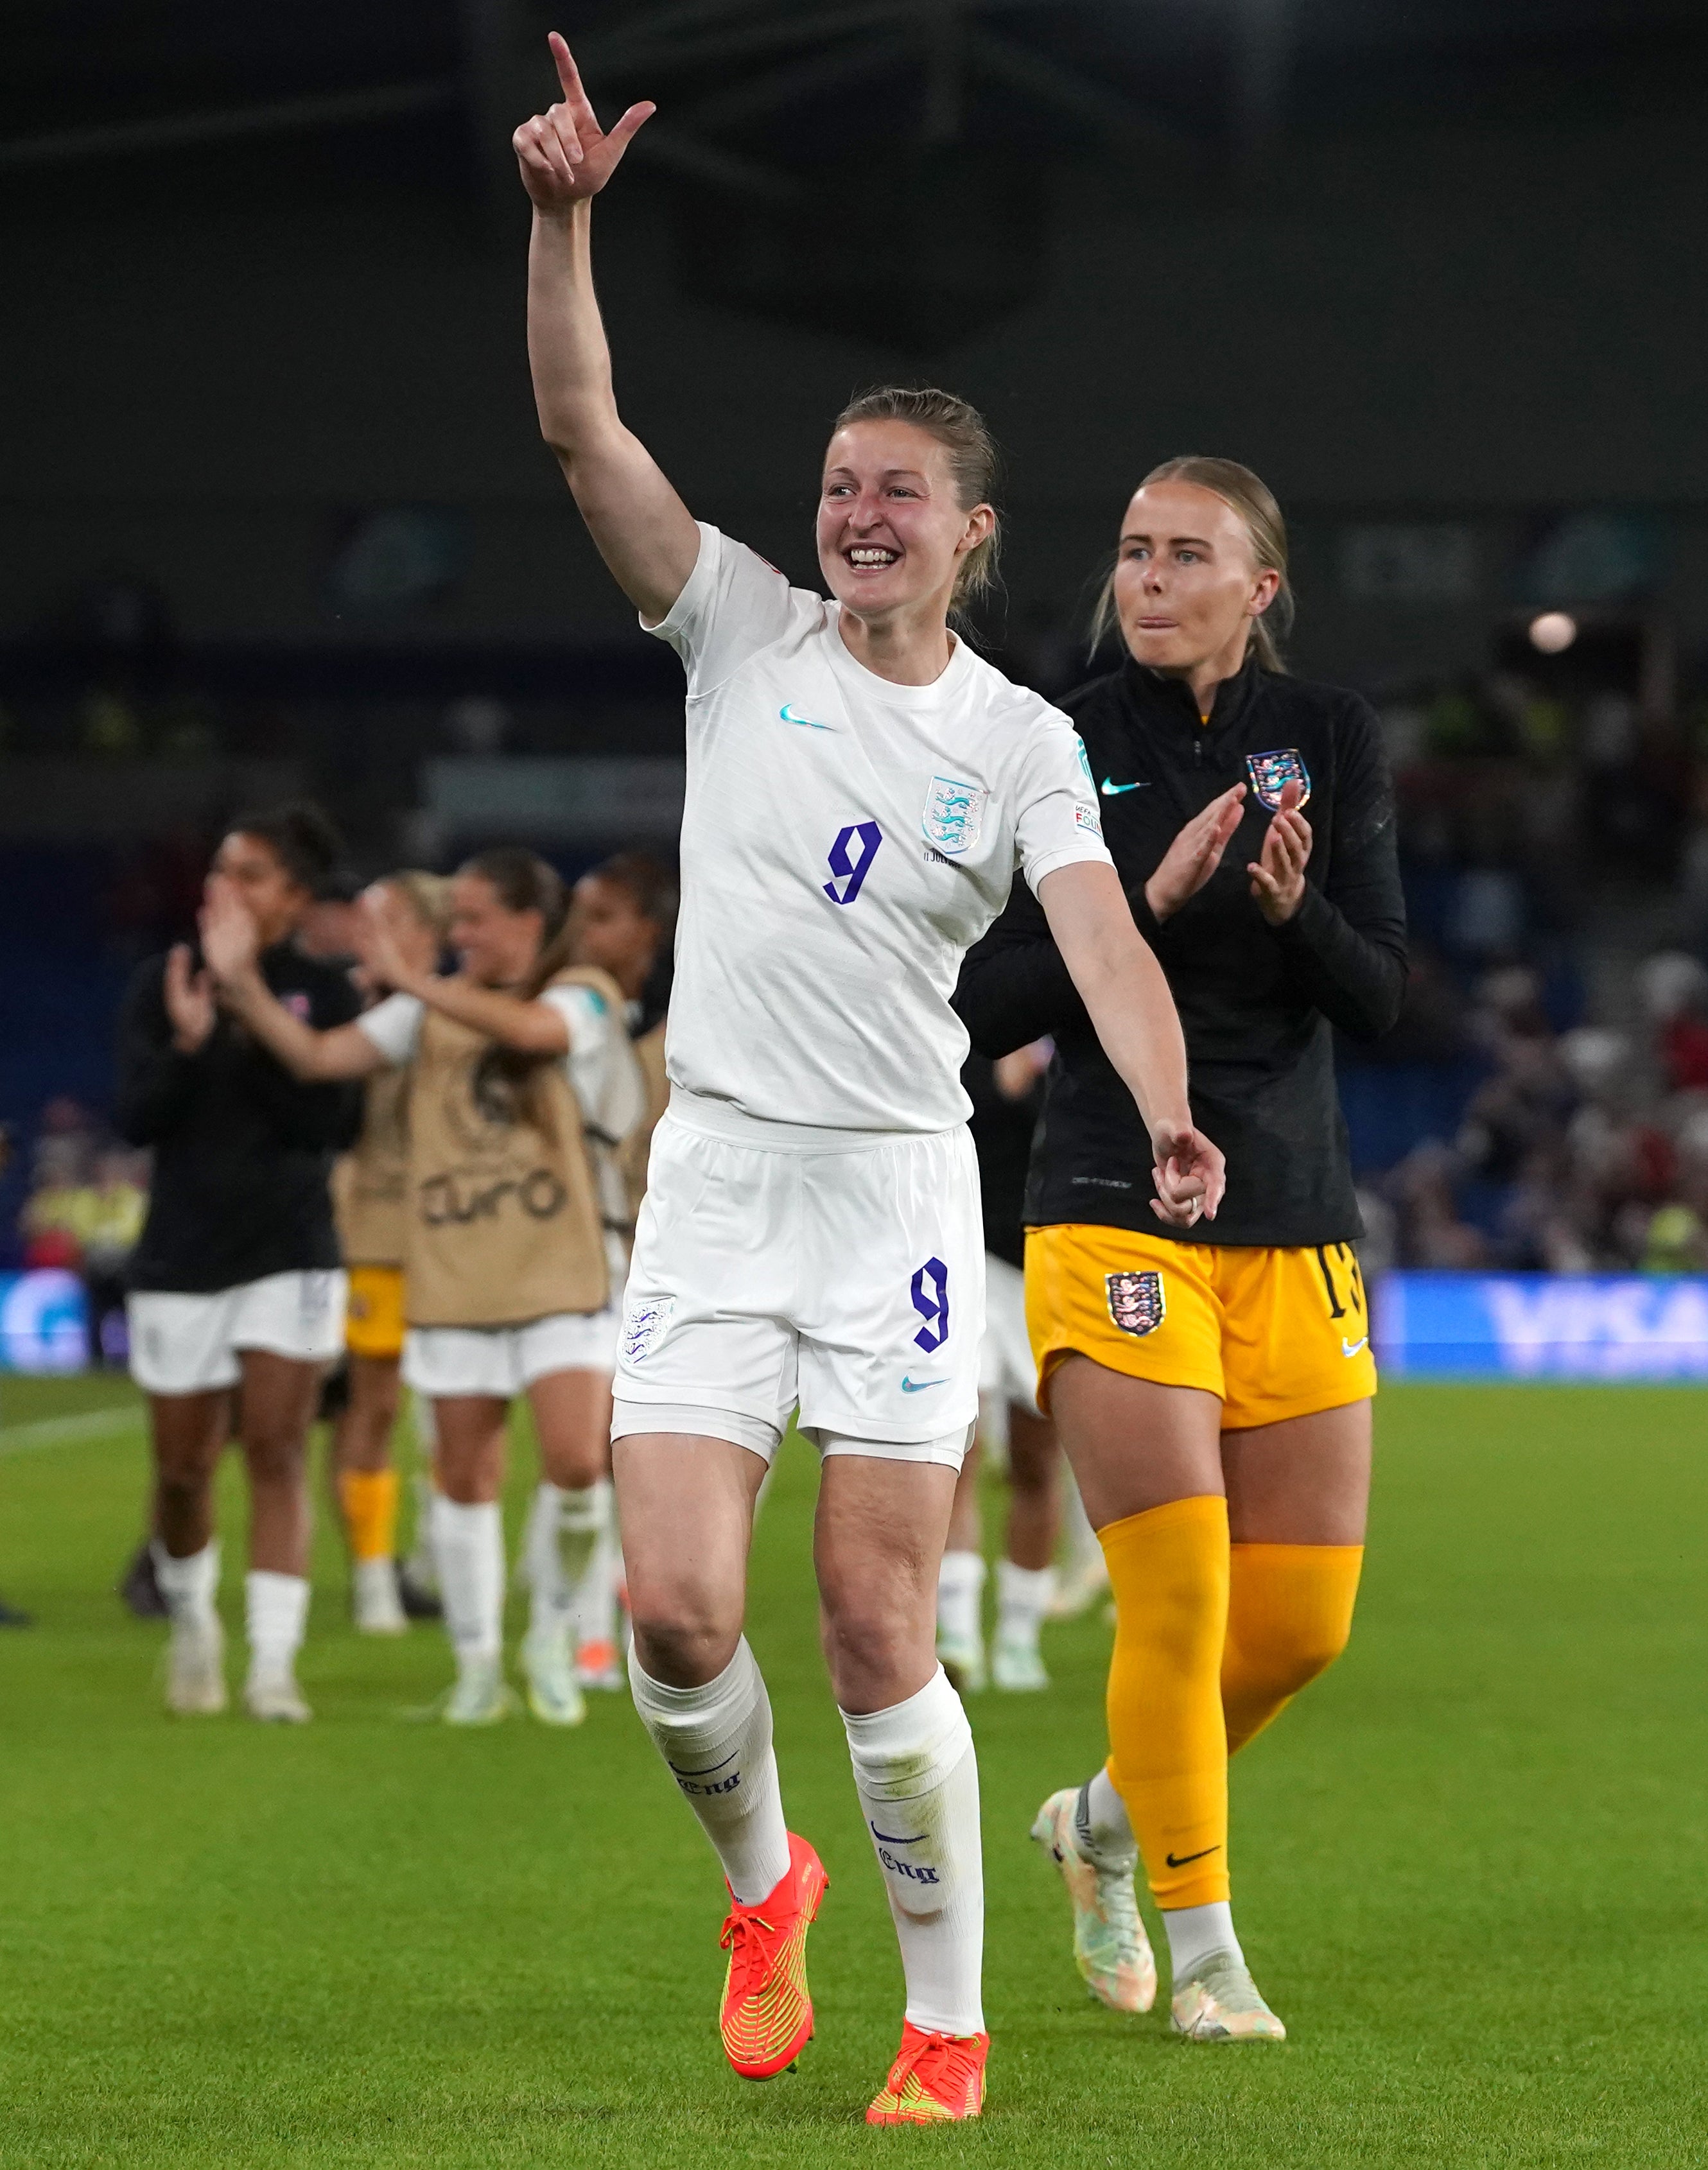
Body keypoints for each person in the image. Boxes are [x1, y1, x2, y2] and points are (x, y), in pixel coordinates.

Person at [509, 35, 1223, 2124]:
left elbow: (1103, 942)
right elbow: (581, 426)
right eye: (839, 489)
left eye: (896, 493)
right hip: (721, 1175)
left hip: (900, 1190)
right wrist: (562, 225)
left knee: (870, 1611)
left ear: (970, 531)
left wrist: (1164, 1102)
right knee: (665, 1605)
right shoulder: (740, 631)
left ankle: (947, 2018)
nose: (857, 517)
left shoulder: (1014, 737)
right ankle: (766, 1886)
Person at [955, 456, 1406, 2041]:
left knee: (1299, 1627)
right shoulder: (1053, 736)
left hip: (1294, 1213)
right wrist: (1134, 900)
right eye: (1136, 551)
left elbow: (1385, 998)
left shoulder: (1333, 738)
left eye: (1187, 554)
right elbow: (985, 998)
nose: (1149, 578)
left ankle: (1095, 1818)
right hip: (1109, 1192)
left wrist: (1289, 913)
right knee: (1180, 1597)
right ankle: (1206, 1943)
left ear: (1258, 587)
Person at [203, 847, 645, 1728]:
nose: (461, 934)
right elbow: (322, 1058)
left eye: (476, 918)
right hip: (453, 1264)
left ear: (528, 922)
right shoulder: (424, 1009)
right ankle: (479, 1665)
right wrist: (243, 984)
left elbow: (535, 1038)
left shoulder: (581, 991)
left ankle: (552, 1633)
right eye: (456, 921)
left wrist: (414, 979)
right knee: (465, 1475)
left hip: (559, 1264)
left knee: (577, 1464)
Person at [115, 803, 363, 1721]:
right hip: (181, 1256)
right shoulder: (162, 982)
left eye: (249, 871)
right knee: (180, 1471)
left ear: (293, 896)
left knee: (278, 1447)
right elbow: (137, 1118)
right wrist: (186, 1041)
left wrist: (250, 1006)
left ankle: (271, 1666)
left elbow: (332, 1126)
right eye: (221, 867)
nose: (225, 885)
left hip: (290, 1251)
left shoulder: (324, 994)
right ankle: (192, 1627)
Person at [550, 849, 677, 1683]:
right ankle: (583, 1628)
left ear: (650, 930)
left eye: (600, 917)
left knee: (647, 1459)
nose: (580, 934)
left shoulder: (682, 1037)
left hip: (674, 1273)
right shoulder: (574, 1021)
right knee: (588, 1449)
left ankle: (619, 1614)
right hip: (593, 1261)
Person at [327, 871, 451, 1635]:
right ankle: (372, 1573)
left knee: (458, 1413)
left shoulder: (460, 1006)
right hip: (375, 1229)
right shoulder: (345, 1005)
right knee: (371, 1406)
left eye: (384, 918)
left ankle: (434, 1560)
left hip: (456, 1237)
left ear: (423, 934)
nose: (363, 930)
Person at [935, 1041, 1070, 1694]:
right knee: (960, 1445)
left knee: (1035, 1462)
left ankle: (1019, 1636)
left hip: (1045, 1270)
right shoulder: (969, 1022)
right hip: (968, 1266)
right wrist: (999, 1084)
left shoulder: (1077, 1029)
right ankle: (956, 1628)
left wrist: (1032, 1089)